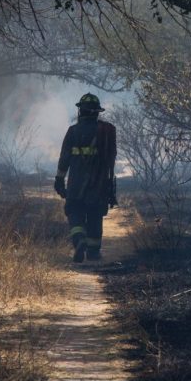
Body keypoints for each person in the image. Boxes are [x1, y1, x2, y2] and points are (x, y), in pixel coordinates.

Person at [54, 93, 117, 262]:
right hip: (99, 182)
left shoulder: (73, 131)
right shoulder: (106, 131)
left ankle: (79, 239)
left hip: (76, 182)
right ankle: (93, 252)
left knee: (74, 211)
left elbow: (64, 158)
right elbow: (112, 158)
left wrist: (59, 180)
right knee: (95, 214)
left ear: (80, 111)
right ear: (97, 112)